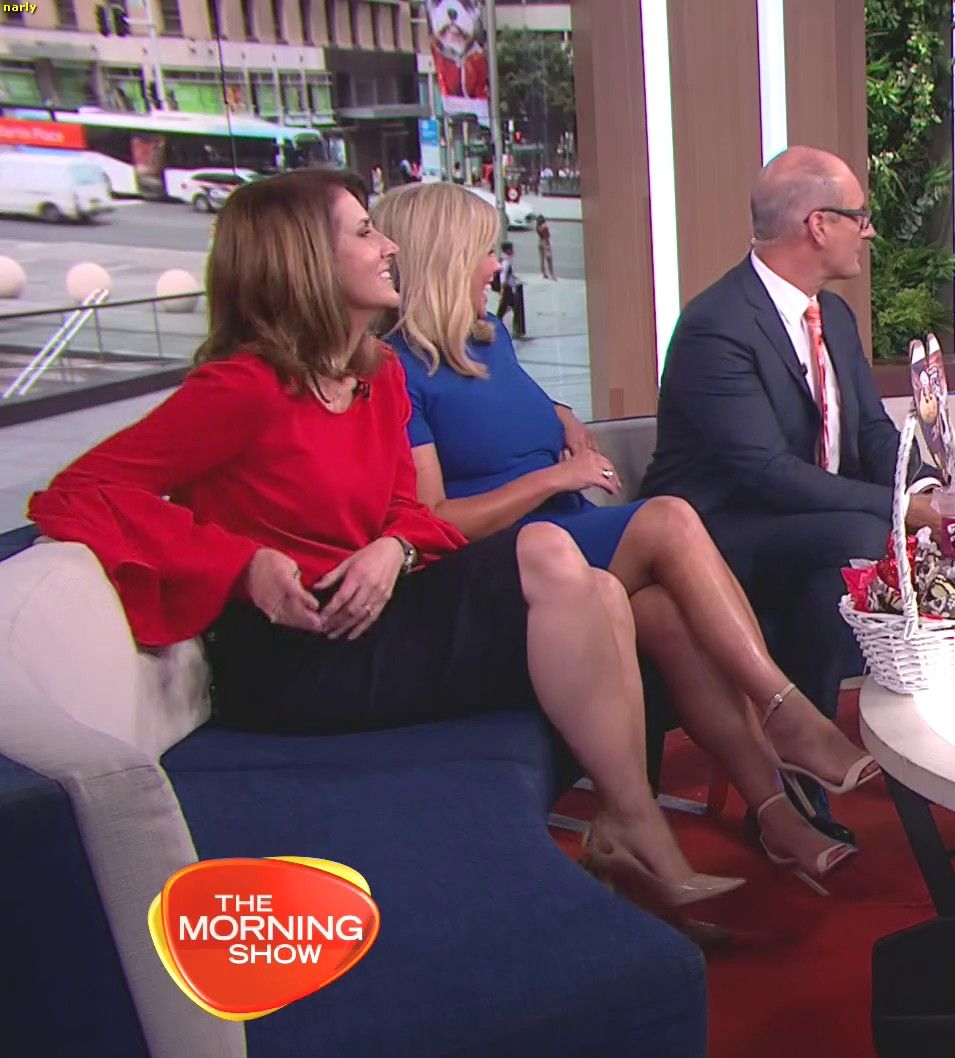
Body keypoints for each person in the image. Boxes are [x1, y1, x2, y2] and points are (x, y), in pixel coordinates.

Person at [26, 168, 741, 915]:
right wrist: (241, 563)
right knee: (553, 553)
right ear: (306, 261)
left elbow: (407, 509)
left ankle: (633, 825)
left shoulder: (379, 378)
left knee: (596, 587)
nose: (390, 246)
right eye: (366, 232)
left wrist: (394, 548)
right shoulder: (242, 389)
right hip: (297, 656)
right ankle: (638, 829)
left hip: (382, 613)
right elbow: (77, 492)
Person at [372, 181, 871, 888]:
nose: (496, 266)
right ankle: (783, 708)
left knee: (664, 614)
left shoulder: (489, 340)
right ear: (444, 259)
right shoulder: (396, 370)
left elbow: (522, 411)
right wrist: (556, 477)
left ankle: (775, 815)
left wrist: (565, 423)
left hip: (570, 533)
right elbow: (434, 519)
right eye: (485, 251)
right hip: (508, 562)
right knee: (669, 516)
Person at [640, 146, 945, 737]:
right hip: (721, 529)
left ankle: (821, 740)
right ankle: (806, 742)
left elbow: (872, 432)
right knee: (863, 537)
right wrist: (900, 509)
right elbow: (767, 473)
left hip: (806, 523)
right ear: (819, 225)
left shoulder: (834, 316)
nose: (869, 231)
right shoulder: (717, 326)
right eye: (859, 216)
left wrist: (927, 485)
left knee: (843, 567)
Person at [493, 239, 527, 338]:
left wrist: (514, 278)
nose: (513, 251)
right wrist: (502, 290)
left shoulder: (505, 260)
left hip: (507, 290)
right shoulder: (506, 261)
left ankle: (497, 326)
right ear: (507, 250)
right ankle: (516, 330)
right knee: (514, 308)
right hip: (506, 290)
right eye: (511, 249)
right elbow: (503, 277)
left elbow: (507, 274)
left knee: (505, 309)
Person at [535, 215, 556, 280]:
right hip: (545, 243)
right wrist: (547, 247)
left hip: (540, 242)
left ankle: (544, 274)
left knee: (541, 260)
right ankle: (552, 275)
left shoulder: (537, 227)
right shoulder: (544, 227)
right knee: (549, 260)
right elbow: (546, 237)